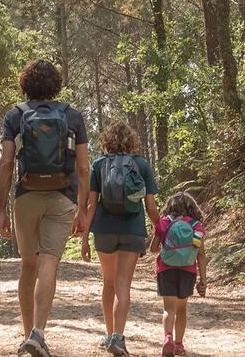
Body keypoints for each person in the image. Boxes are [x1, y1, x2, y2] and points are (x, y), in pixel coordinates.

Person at [0, 59, 91, 357]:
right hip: (63, 196)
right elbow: (84, 167)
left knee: (28, 264)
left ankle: (28, 335)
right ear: (56, 84)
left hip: (26, 195)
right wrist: (83, 208)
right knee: (48, 262)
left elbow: (7, 162)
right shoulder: (73, 116)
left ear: (25, 84)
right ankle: (38, 332)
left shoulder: (15, 115)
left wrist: (2, 207)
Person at [88, 121, 159, 356]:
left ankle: (109, 334)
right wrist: (160, 229)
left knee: (108, 282)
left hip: (104, 229)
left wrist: (84, 237)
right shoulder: (141, 165)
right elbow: (150, 206)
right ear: (132, 141)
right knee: (123, 285)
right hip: (132, 228)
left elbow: (91, 204)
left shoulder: (98, 165)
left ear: (107, 140)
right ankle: (118, 337)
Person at [152, 192, 207, 357]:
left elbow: (153, 248)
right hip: (188, 271)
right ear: (193, 208)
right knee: (182, 309)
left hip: (166, 269)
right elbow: (201, 254)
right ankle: (179, 345)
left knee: (169, 308)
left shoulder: (164, 223)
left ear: (170, 207)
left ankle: (167, 337)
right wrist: (203, 279)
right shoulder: (197, 226)